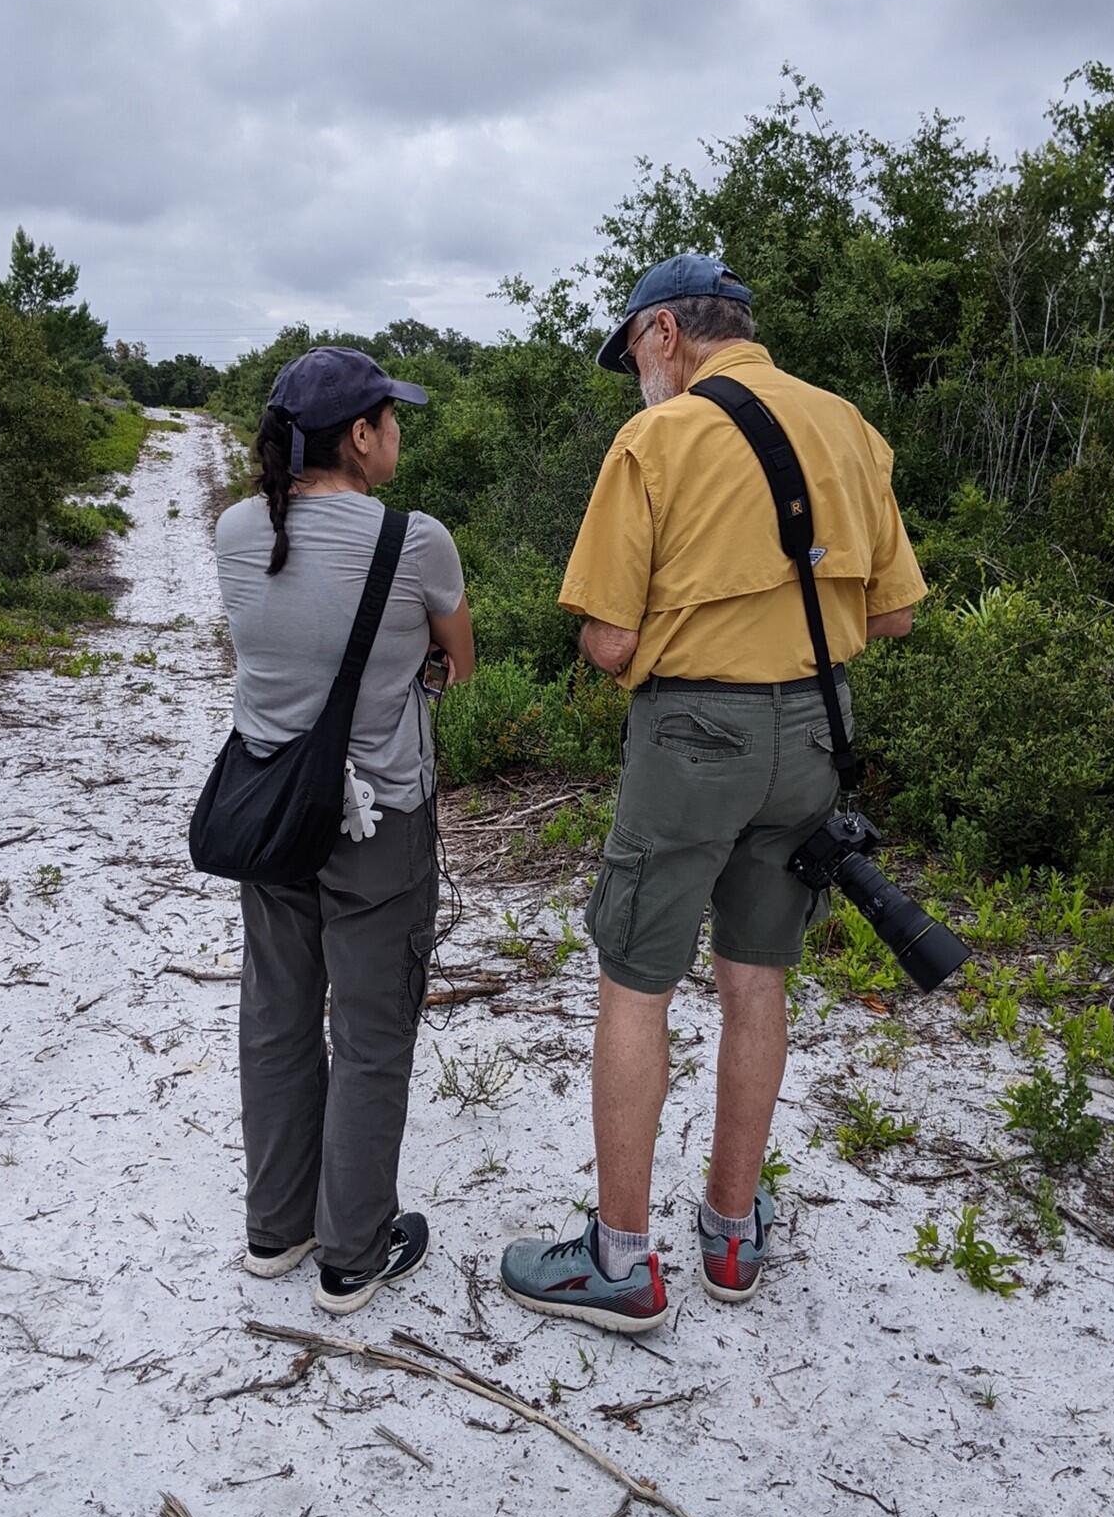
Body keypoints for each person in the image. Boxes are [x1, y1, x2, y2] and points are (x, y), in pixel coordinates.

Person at [500, 255, 925, 1333]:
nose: (634, 377)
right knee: (755, 976)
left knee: (637, 980)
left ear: (659, 335)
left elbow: (606, 639)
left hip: (693, 734)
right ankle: (731, 1231)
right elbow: (892, 617)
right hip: (815, 735)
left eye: (631, 354)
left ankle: (621, 1260)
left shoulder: (657, 437)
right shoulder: (847, 426)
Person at [215, 345, 474, 1314]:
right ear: (359, 436)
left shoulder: (236, 529)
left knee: (275, 1013)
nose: (397, 432)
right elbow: (461, 656)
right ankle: (353, 1251)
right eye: (389, 418)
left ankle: (275, 1230)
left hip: (269, 812)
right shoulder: (416, 540)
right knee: (369, 1032)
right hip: (379, 822)